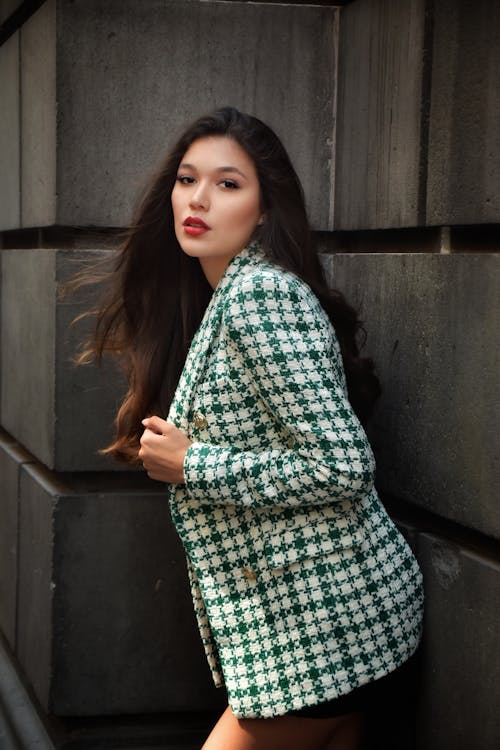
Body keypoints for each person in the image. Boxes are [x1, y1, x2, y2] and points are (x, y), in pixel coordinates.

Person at [80, 107, 423, 749]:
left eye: (228, 184)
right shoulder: (229, 296)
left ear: (265, 209)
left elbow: (343, 464)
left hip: (326, 633)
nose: (199, 199)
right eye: (187, 179)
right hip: (334, 629)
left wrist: (194, 464)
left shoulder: (261, 297)